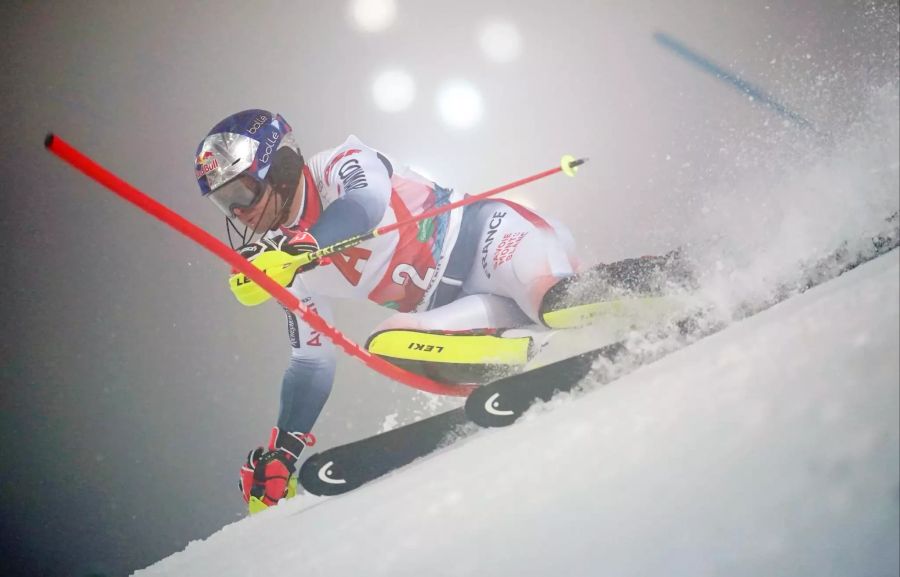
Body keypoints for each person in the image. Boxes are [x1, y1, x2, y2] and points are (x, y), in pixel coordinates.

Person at [194, 109, 692, 510]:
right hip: (464, 304)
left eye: (241, 193)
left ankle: (683, 273)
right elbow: (310, 359)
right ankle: (540, 355)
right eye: (224, 205)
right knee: (389, 343)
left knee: (554, 303)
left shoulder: (338, 163)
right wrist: (283, 450)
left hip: (492, 240)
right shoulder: (289, 266)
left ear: (278, 170)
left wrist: (298, 249)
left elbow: (363, 206)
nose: (238, 213)